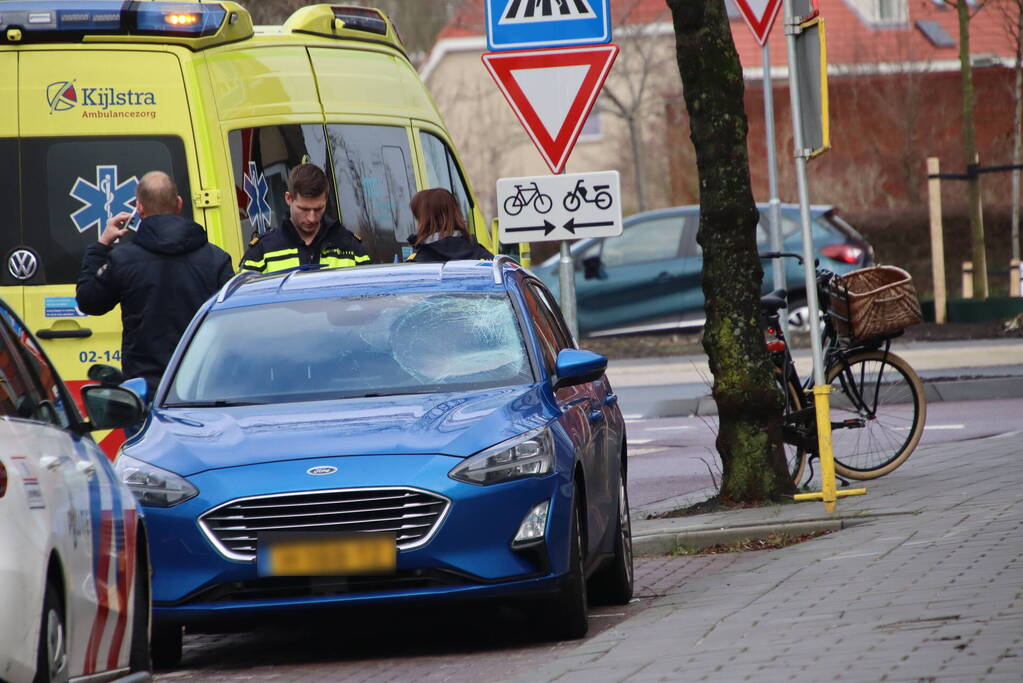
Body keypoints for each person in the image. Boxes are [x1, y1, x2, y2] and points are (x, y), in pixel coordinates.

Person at [76, 171, 234, 396]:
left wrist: (101, 245)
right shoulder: (216, 259)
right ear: (179, 203)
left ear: (139, 208)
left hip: (145, 389)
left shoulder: (123, 260)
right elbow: (229, 324)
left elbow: (89, 301)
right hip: (203, 388)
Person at [240, 163, 371, 273]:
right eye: (304, 209)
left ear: (326, 199)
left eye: (319, 209)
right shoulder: (261, 253)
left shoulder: (350, 246)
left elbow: (369, 298)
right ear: (288, 198)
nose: (312, 218)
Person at [406, 188, 493, 263]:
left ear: (424, 220)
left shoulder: (416, 262)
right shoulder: (481, 255)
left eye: (418, 217)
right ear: (455, 213)